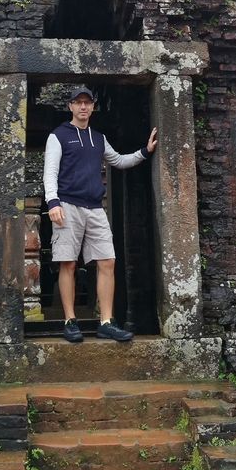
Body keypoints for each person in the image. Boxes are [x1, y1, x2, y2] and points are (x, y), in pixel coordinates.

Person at [43, 86, 158, 342]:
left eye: (87, 102)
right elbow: (50, 171)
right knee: (68, 263)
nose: (83, 107)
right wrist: (53, 203)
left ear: (93, 106)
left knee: (108, 261)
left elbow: (117, 161)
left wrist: (145, 152)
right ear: (70, 106)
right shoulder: (58, 136)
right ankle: (70, 321)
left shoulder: (98, 138)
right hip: (67, 204)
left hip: (95, 207)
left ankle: (106, 322)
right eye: (77, 103)